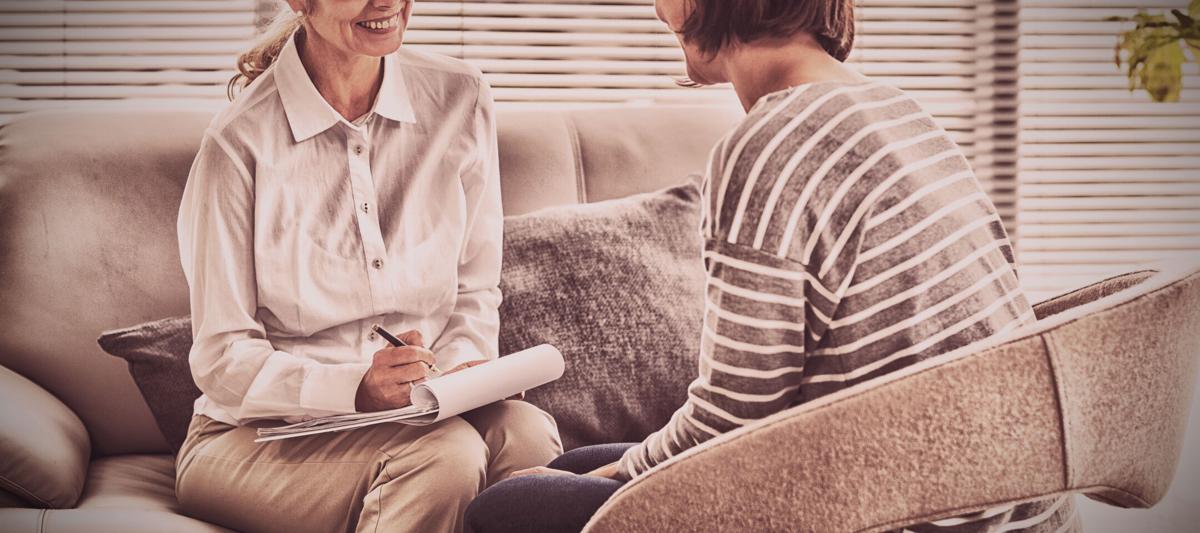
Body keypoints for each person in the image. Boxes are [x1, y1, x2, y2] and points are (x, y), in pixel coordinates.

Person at [463, 1, 1078, 532]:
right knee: (571, 466)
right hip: (1012, 503)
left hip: (903, 511)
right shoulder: (900, 111)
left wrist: (615, 476)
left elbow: (734, 420)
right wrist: (603, 472)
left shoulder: (767, 148)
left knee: (508, 508)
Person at [172, 1, 562, 532]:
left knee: (527, 435)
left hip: (420, 411)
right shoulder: (238, 141)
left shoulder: (461, 97)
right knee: (443, 458)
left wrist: (458, 375)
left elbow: (474, 288)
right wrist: (356, 387)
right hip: (253, 437)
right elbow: (223, 358)